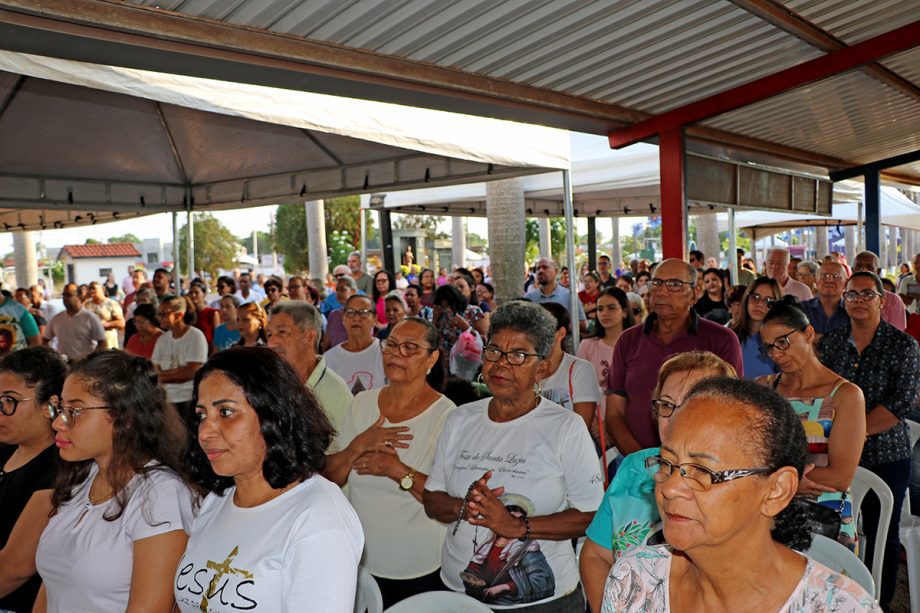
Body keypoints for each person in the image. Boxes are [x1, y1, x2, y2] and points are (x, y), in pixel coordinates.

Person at [599, 377, 878, 612]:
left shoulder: (839, 607)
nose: (670, 487)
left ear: (775, 491)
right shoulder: (635, 582)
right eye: (668, 464)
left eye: (702, 470)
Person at [423, 301, 603, 611]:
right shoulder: (459, 419)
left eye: (518, 355)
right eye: (493, 351)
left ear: (543, 368)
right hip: (457, 597)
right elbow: (432, 500)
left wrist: (518, 527)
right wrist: (465, 506)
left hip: (542, 604)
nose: (501, 364)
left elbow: (591, 515)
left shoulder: (566, 427)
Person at [176, 347, 363, 612]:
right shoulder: (218, 502)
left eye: (226, 412)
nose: (204, 431)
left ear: (274, 417)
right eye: (201, 415)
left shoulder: (318, 517)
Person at [34, 351, 197, 612]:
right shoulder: (82, 480)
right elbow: (52, 586)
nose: (57, 423)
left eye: (74, 410)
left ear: (125, 417)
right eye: (60, 409)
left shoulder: (160, 495)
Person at [579, 352, 736, 612]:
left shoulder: (736, 481)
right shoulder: (634, 467)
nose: (674, 417)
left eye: (692, 404)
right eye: (666, 404)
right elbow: (595, 555)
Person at [326, 318, 454, 607]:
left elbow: (448, 504)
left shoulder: (447, 416)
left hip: (422, 567)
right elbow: (330, 476)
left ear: (432, 358)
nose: (396, 354)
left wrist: (395, 470)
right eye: (391, 345)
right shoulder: (362, 403)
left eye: (410, 348)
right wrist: (358, 445)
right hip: (360, 562)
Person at [818, 271, 920, 608]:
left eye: (867, 294)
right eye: (852, 294)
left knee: (882, 535)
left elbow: (902, 402)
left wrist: (854, 431)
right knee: (830, 531)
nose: (859, 300)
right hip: (834, 453)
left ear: (882, 300)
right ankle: (834, 600)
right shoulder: (831, 343)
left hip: (887, 454)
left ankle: (879, 601)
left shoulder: (903, 345)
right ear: (843, 300)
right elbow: (821, 392)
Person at [757, 298, 865, 551]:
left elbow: (839, 476)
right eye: (769, 348)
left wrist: (774, 480)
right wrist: (785, 483)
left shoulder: (845, 395)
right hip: (768, 509)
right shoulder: (763, 387)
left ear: (808, 333)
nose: (776, 354)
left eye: (782, 342)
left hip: (823, 515)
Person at [605, 259, 744, 454]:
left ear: (695, 294)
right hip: (636, 461)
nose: (662, 292)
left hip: (699, 462)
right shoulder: (628, 340)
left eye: (674, 285)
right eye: (656, 283)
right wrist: (643, 462)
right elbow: (614, 413)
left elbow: (730, 408)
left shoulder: (721, 340)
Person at [0, 347, 66, 612]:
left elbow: (14, 568)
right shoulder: (6, 448)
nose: (0, 412)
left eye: (9, 402)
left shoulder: (57, 470)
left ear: (50, 406)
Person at [267, 301, 352, 431]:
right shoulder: (268, 383)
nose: (271, 343)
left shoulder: (336, 392)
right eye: (269, 334)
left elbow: (347, 449)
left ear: (309, 337)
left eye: (282, 332)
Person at [539, 303, 603, 435]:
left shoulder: (580, 369)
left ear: (560, 333)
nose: (536, 336)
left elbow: (581, 428)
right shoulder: (524, 368)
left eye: (542, 330)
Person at [152, 296, 209, 421]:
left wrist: (160, 376)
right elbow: (154, 369)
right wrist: (178, 371)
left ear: (179, 315)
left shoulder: (195, 336)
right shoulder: (162, 339)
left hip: (188, 400)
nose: (159, 317)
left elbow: (191, 372)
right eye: (159, 313)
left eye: (164, 314)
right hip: (166, 400)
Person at [325, 294, 387, 394]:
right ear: (343, 319)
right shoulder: (329, 359)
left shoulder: (386, 352)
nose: (356, 318)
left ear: (375, 319)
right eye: (350, 312)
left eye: (364, 312)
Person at [577, 288, 634, 391]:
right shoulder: (587, 346)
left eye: (611, 308)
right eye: (600, 309)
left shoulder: (636, 346)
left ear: (624, 312)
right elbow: (580, 387)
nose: (604, 313)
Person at [729, 277, 782, 380]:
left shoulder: (782, 341)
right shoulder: (730, 337)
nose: (760, 304)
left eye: (769, 301)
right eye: (755, 297)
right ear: (746, 299)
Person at [42, 283, 106, 361]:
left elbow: (102, 343)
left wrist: (91, 360)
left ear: (79, 296)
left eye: (69, 295)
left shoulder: (91, 318)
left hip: (84, 365)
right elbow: (45, 340)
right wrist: (53, 357)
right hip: (64, 364)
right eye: (64, 295)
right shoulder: (57, 319)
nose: (65, 298)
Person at [524, 257, 587, 331]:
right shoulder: (529, 298)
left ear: (556, 271)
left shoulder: (569, 296)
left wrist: (560, 329)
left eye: (545, 267)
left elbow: (583, 324)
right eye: (538, 268)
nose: (540, 271)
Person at [854, 250, 907, 331]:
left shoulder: (893, 301)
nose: (863, 270)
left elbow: (897, 337)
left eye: (869, 267)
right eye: (859, 266)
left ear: (878, 271)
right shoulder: (846, 298)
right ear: (852, 270)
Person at [432, 283, 488, 358]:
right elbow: (431, 338)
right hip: (445, 362)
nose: (447, 310)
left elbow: (485, 339)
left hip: (468, 361)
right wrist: (435, 318)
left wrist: (467, 328)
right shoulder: (440, 314)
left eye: (450, 306)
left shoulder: (473, 311)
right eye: (443, 306)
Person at [800, 260, 849, 339]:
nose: (829, 280)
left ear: (845, 283)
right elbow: (797, 337)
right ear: (815, 280)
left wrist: (814, 338)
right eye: (824, 276)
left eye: (835, 276)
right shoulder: (803, 309)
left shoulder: (851, 310)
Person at [83, 281, 125, 350]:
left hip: (109, 341)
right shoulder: (86, 304)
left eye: (93, 288)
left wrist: (103, 325)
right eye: (89, 288)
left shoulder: (111, 303)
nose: (91, 291)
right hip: (91, 343)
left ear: (102, 289)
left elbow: (121, 323)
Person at [323, 276, 359, 351]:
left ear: (353, 291)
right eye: (337, 290)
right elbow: (326, 343)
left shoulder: (362, 315)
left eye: (343, 289)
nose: (338, 293)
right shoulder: (333, 314)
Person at [186, 281, 219, 346]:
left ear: (204, 294)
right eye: (191, 293)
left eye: (196, 292)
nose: (193, 295)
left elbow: (217, 336)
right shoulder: (187, 314)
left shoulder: (212, 313)